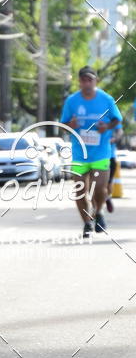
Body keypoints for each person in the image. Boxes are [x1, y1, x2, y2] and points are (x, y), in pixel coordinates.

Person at [60, 66, 121, 237]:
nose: (87, 83)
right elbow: (63, 125)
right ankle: (87, 223)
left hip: (101, 152)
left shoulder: (106, 99)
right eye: (83, 80)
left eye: (90, 80)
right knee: (80, 190)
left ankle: (98, 211)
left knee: (99, 188)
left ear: (96, 81)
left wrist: (107, 127)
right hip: (80, 154)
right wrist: (69, 126)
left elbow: (117, 119)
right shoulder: (72, 101)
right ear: (79, 82)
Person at [105, 123, 122, 212]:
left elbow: (119, 131)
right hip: (92, 157)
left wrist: (115, 138)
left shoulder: (111, 115)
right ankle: (95, 208)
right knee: (93, 183)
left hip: (110, 156)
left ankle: (108, 197)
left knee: (108, 182)